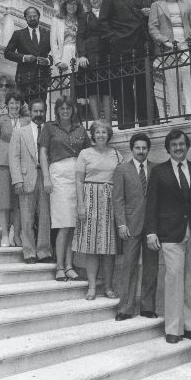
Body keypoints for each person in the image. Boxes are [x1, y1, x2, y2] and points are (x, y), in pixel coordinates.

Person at [145, 128, 191, 343]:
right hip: (169, 233)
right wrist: (151, 232)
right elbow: (152, 203)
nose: (178, 148)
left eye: (182, 144)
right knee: (174, 278)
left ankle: (190, 326)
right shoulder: (158, 172)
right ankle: (173, 329)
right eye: (174, 145)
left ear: (187, 146)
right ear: (168, 148)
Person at [39, 96, 91, 281]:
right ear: (57, 110)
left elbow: (87, 153)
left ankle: (70, 265)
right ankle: (60, 266)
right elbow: (43, 153)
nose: (65, 111)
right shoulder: (49, 127)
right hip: (58, 175)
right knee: (62, 223)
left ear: (73, 110)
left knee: (73, 225)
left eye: (68, 108)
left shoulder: (80, 129)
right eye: (62, 108)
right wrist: (46, 177)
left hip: (77, 175)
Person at [99, 0, 157, 129]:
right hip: (122, 47)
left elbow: (154, 22)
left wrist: (149, 14)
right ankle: (127, 124)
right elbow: (103, 22)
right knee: (123, 89)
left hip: (143, 46)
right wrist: (113, 39)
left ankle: (149, 122)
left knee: (145, 86)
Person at [73, 120, 123, 300]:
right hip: (89, 199)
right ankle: (92, 287)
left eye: (104, 132)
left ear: (108, 135)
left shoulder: (116, 154)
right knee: (91, 247)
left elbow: (122, 179)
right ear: (93, 135)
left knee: (109, 247)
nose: (101, 135)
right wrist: (80, 204)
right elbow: (78, 180)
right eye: (98, 132)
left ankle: (108, 287)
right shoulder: (85, 153)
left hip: (110, 201)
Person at [113, 132, 159, 321]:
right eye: (137, 148)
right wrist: (121, 223)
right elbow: (118, 199)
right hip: (130, 226)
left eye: (144, 148)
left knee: (151, 267)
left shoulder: (156, 169)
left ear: (148, 149)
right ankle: (125, 308)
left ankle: (148, 307)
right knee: (129, 267)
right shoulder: (122, 169)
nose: (141, 151)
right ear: (132, 149)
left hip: (152, 228)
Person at [149, 0, 191, 117]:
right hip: (169, 47)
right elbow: (153, 27)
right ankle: (176, 114)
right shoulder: (156, 5)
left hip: (186, 43)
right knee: (172, 81)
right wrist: (165, 41)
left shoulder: (187, 5)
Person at [9, 98, 53, 264]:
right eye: (35, 111)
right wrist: (17, 180)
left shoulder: (49, 131)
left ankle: (44, 252)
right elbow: (14, 158)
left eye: (41, 111)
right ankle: (29, 252)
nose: (38, 114)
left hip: (46, 177)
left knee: (45, 216)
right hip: (27, 178)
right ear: (30, 113)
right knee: (27, 217)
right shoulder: (20, 132)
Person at [0, 75, 29, 231]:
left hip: (20, 162)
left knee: (16, 199)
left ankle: (13, 232)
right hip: (1, 158)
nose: (14, 106)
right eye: (11, 103)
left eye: (17, 103)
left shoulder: (25, 117)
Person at [76, 0, 111, 121]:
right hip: (91, 56)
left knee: (107, 90)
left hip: (107, 54)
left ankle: (107, 122)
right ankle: (97, 122)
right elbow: (80, 36)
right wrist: (81, 55)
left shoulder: (109, 14)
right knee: (93, 90)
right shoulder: (85, 17)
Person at [4, 6, 51, 104]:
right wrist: (24, 58)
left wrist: (48, 61)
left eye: (35, 16)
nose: (32, 18)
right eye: (29, 16)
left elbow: (55, 53)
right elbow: (7, 53)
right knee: (24, 107)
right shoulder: (18, 34)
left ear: (39, 17)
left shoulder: (48, 34)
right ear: (25, 18)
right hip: (24, 77)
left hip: (42, 76)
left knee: (41, 106)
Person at [50, 0, 84, 74]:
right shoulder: (56, 20)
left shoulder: (81, 20)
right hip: (64, 53)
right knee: (66, 82)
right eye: (69, 3)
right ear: (64, 5)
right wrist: (58, 61)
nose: (72, 6)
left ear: (78, 6)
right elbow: (53, 43)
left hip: (78, 53)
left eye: (75, 4)